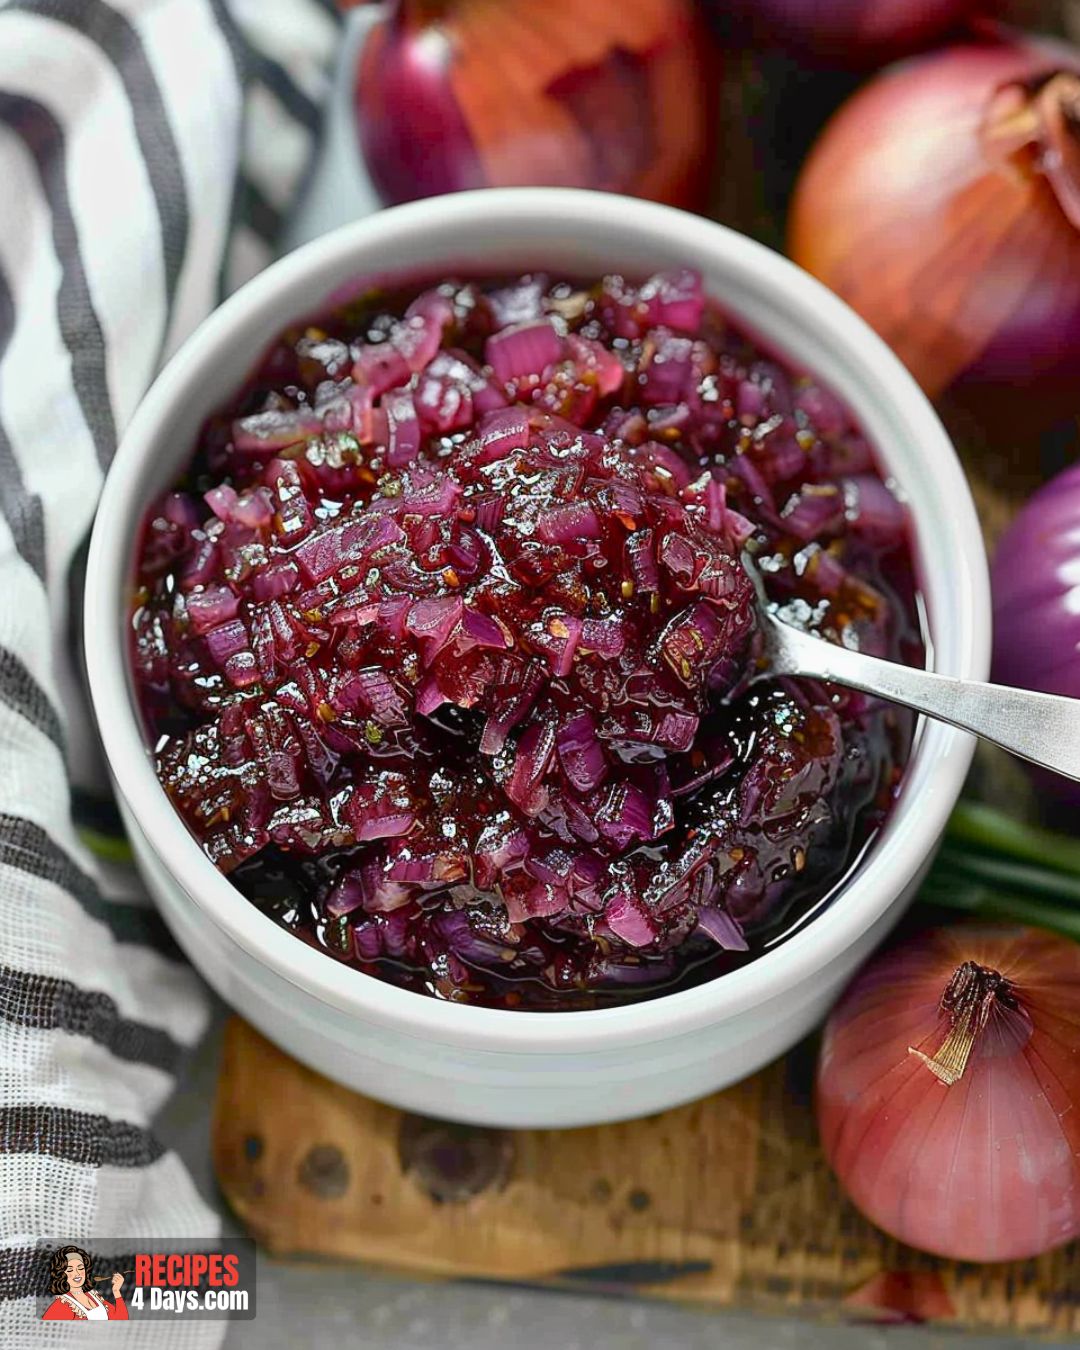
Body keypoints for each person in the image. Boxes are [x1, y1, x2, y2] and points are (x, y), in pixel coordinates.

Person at [41, 1245, 128, 1321]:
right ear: (61, 1274)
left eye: (81, 1268)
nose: (77, 1273)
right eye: (70, 1270)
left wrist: (116, 1291)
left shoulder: (93, 1295)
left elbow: (121, 1319)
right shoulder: (62, 1306)